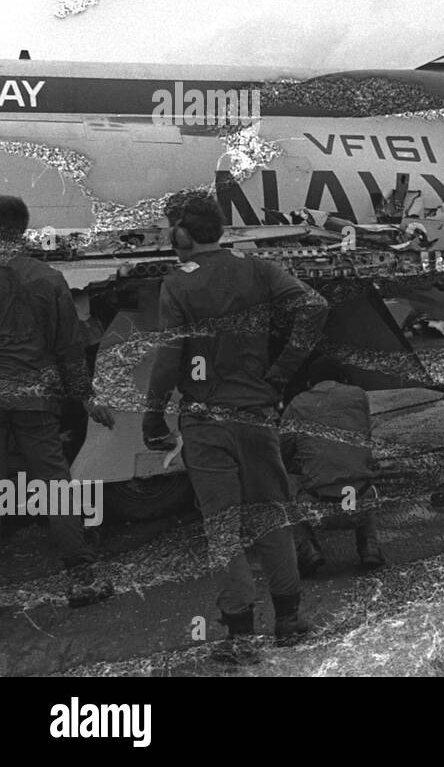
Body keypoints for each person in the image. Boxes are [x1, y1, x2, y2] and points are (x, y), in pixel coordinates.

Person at [143, 190, 327, 660]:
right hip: (257, 417)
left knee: (224, 529)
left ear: (181, 232)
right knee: (271, 517)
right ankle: (289, 620)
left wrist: (153, 411)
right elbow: (314, 307)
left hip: (206, 423)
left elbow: (169, 357)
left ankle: (242, 637)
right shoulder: (257, 269)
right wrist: (282, 372)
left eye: (170, 225)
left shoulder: (178, 283)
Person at [0, 195, 116, 607]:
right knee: (53, 485)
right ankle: (82, 578)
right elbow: (69, 349)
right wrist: (85, 398)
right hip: (35, 399)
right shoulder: (46, 279)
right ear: (23, 229)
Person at [280, 356, 385, 574]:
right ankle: (370, 547)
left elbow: (282, 451)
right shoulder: (358, 396)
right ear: (342, 378)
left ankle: (308, 550)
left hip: (319, 511)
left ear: (309, 383)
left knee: (282, 487)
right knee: (364, 478)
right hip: (359, 504)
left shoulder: (297, 404)